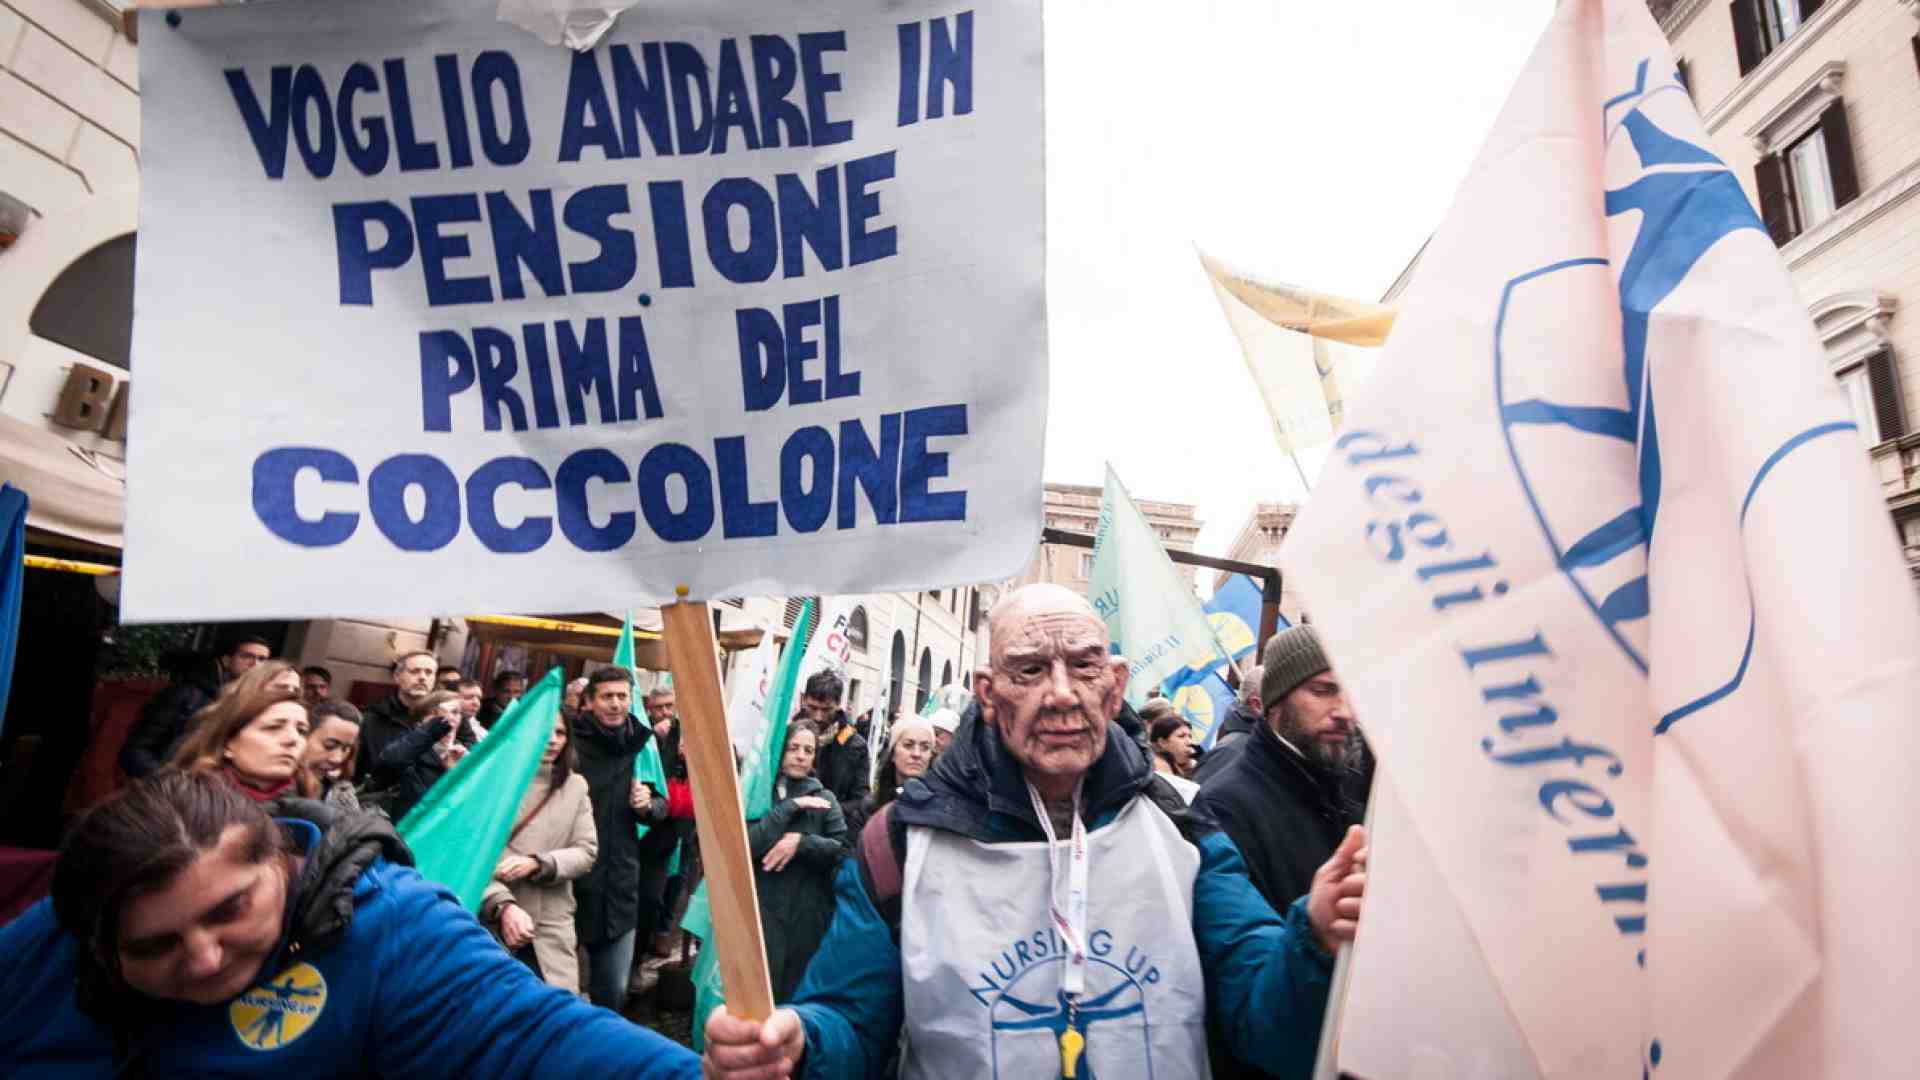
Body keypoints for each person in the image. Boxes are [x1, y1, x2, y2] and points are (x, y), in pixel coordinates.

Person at [702, 583, 1367, 1080]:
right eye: (1029, 669)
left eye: (1084, 666)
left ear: (1115, 687)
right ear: (988, 694)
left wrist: (1310, 941)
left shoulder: (1182, 827)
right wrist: (801, 1045)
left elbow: (1268, 1022)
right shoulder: (898, 843)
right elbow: (850, 1018)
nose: (1061, 694)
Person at [0, 771, 700, 1077]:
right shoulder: (51, 941)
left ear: (283, 859)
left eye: (229, 910)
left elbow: (536, 1040)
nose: (205, 957)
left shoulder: (392, 925)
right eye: (155, 946)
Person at [1194, 626, 1364, 930]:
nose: (1344, 712)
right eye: (1322, 691)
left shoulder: (1350, 787)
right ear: (1275, 701)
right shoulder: (1224, 807)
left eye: (1350, 693)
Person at [570, 667, 666, 1010]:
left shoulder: (642, 743)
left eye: (622, 696)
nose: (615, 704)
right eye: (607, 696)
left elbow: (662, 804)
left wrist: (647, 805)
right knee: (556, 989)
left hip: (619, 884)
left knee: (612, 990)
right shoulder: (569, 742)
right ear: (589, 702)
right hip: (568, 881)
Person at [482, 711, 598, 996]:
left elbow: (586, 852)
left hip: (551, 925)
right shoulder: (492, 783)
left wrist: (539, 863)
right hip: (492, 923)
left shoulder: (575, 786)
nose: (552, 740)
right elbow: (471, 859)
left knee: (559, 1009)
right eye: (544, 730)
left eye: (560, 733)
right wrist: (502, 905)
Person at [748, 721, 850, 1003]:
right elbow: (748, 845)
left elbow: (843, 851)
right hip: (762, 912)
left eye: (808, 750)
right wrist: (790, 807)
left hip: (806, 917)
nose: (801, 756)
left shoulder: (825, 799)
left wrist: (803, 843)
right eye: (794, 748)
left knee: (795, 996)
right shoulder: (760, 796)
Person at [120, 634, 271, 779]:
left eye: (262, 659)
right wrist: (167, 783)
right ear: (226, 660)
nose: (255, 664)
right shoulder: (187, 694)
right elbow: (137, 749)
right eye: (246, 656)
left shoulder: (257, 704)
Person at [169, 681, 318, 804]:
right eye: (273, 727)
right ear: (227, 743)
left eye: (302, 731)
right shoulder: (178, 800)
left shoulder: (314, 811)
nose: (293, 739)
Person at [637, 686, 693, 959]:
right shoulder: (645, 733)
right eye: (659, 707)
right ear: (649, 708)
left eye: (669, 706)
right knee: (650, 889)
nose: (665, 712)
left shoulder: (687, 730)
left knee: (677, 879)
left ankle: (663, 929)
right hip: (653, 826)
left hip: (682, 824)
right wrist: (658, 740)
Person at [368, 690, 470, 823]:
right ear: (419, 723)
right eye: (436, 713)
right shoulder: (406, 750)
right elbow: (388, 764)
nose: (448, 718)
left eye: (455, 712)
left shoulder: (464, 755)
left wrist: (453, 773)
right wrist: (430, 732)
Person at [356, 651, 441, 784]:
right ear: (397, 676)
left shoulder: (447, 718)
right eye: (415, 671)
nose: (422, 677)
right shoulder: (371, 719)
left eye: (429, 672)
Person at [845, 715, 936, 837]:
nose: (916, 754)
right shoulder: (868, 808)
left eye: (925, 747)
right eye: (908, 745)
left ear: (931, 756)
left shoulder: (939, 808)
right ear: (893, 753)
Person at [798, 670, 870, 809]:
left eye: (826, 710)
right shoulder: (787, 735)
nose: (818, 717)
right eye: (813, 708)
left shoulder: (855, 746)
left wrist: (828, 812)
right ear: (804, 700)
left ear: (838, 704)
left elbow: (861, 801)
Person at [303, 701, 363, 812]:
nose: (337, 759)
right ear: (304, 735)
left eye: (345, 749)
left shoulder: (341, 794)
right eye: (329, 746)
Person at [1143, 703, 1201, 804]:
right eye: (1181, 736)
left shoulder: (1194, 766)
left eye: (1190, 736)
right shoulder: (1154, 769)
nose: (1189, 742)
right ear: (1162, 742)